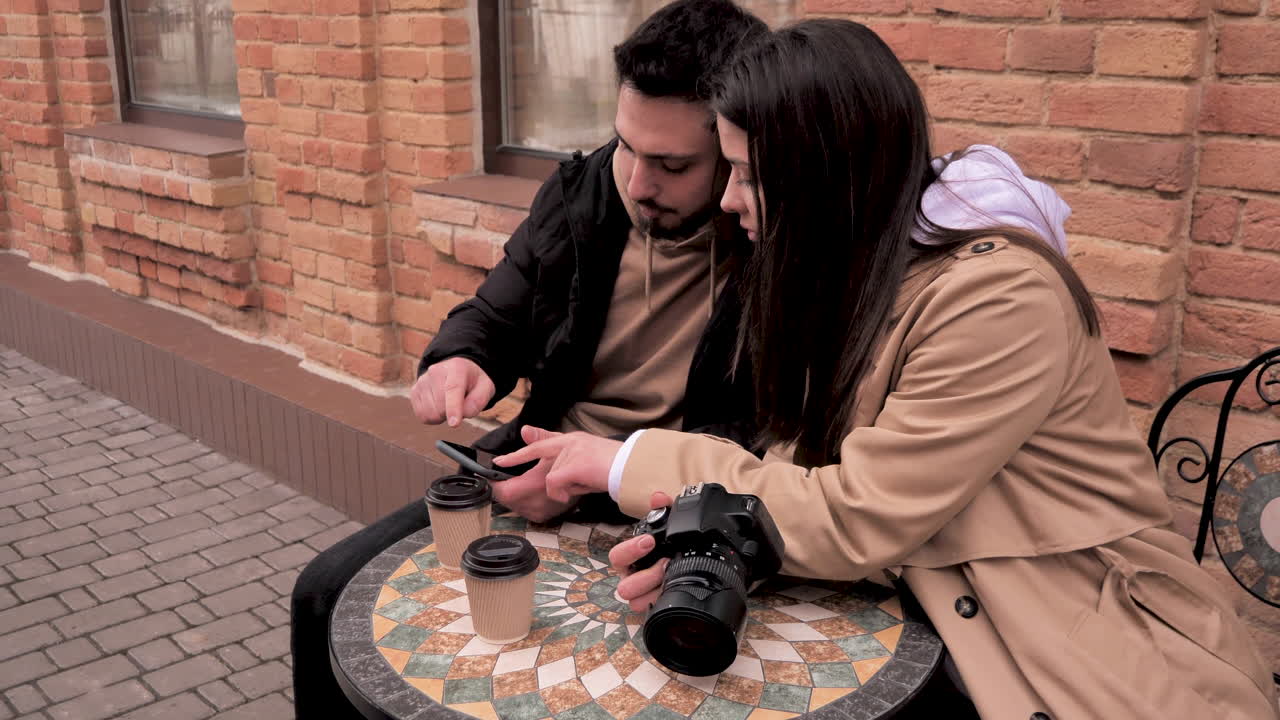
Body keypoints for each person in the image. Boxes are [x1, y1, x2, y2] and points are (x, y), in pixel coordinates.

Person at [496, 19, 1279, 720]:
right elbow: (798, 471)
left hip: (1080, 648)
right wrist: (716, 549)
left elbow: (858, 515)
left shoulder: (998, 298)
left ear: (828, 174)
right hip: (927, 618)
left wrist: (624, 461)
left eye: (751, 174)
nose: (730, 200)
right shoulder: (852, 278)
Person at [289, 2, 766, 717]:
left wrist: (595, 480)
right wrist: (462, 359)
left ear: (736, 154)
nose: (638, 182)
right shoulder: (584, 191)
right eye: (626, 145)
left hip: (676, 505)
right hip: (529, 470)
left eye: (672, 165)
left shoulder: (772, 242)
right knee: (324, 593)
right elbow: (496, 312)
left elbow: (760, 440)